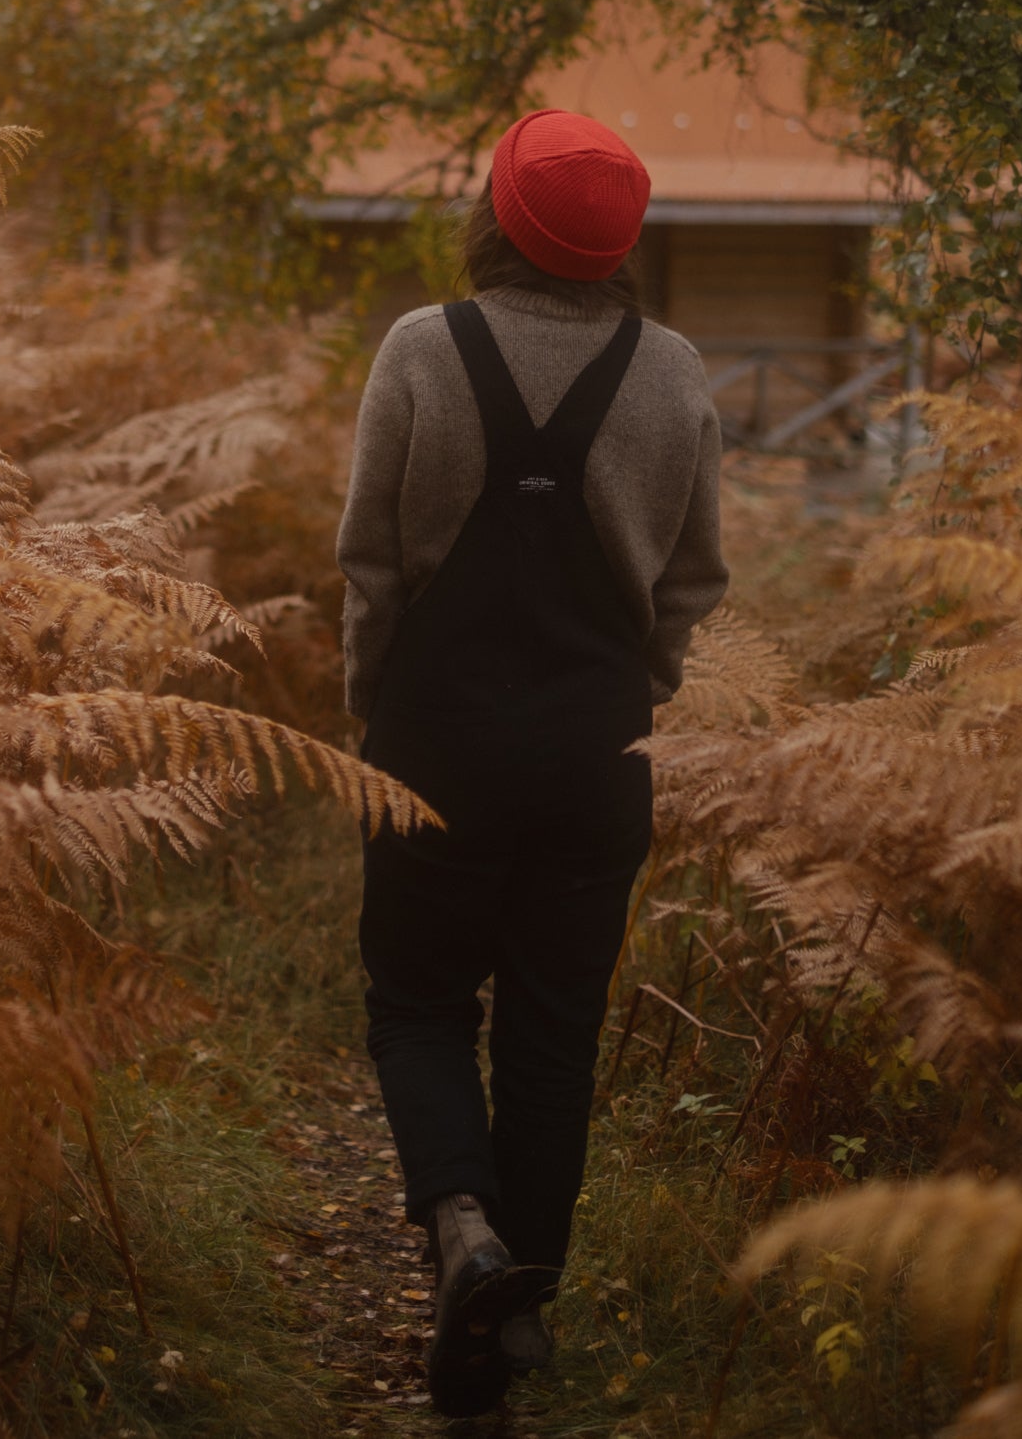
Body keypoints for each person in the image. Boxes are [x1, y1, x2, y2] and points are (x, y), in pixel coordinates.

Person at [336, 108, 727, 1417]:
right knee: (556, 1039)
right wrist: (634, 698)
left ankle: (462, 1232)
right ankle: (512, 1333)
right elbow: (693, 585)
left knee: (418, 1000)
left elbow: (372, 569)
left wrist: (371, 712)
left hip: (433, 741)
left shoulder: (420, 351)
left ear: (495, 218)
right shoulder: (674, 375)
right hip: (596, 753)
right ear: (620, 243)